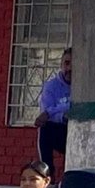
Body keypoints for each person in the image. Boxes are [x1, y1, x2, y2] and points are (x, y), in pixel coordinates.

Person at [35, 48, 72, 180]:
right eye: (67, 63)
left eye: (74, 65)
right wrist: (63, 114)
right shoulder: (51, 86)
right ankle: (47, 175)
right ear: (61, 64)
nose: (69, 68)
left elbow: (77, 106)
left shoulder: (84, 86)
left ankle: (71, 178)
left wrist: (55, 110)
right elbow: (45, 112)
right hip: (60, 129)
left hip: (79, 131)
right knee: (44, 128)